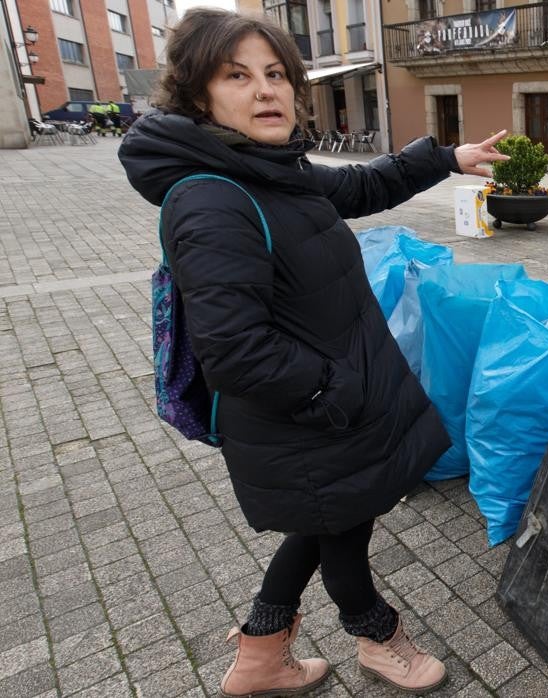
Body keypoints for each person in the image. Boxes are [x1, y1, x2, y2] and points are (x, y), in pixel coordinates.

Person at [118, 8, 508, 696]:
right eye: (236, 76)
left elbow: (359, 186)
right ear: (197, 93)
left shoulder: (269, 173)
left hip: (321, 415)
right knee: (344, 537)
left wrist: (446, 158)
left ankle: (262, 655)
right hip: (310, 418)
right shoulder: (214, 199)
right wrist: (337, 392)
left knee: (329, 522)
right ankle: (380, 638)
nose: (266, 91)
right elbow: (235, 350)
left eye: (276, 75)